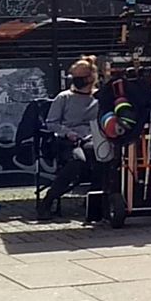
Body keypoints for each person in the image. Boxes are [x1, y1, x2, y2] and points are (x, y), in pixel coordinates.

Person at [39, 58, 102, 219]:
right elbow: (51, 123)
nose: (76, 80)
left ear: (91, 77)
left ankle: (96, 204)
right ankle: (48, 200)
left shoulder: (99, 97)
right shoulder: (64, 97)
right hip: (68, 141)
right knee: (78, 162)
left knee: (106, 159)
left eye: (80, 76)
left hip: (94, 140)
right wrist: (67, 132)